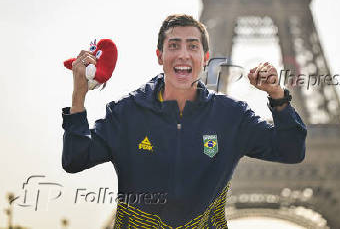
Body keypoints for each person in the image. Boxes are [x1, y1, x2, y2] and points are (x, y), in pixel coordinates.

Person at [61, 14, 307, 229]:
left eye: (192, 46)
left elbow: (291, 150)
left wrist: (277, 97)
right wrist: (78, 95)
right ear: (160, 56)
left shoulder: (231, 116)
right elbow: (75, 159)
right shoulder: (126, 113)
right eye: (174, 45)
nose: (183, 54)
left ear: (205, 57)